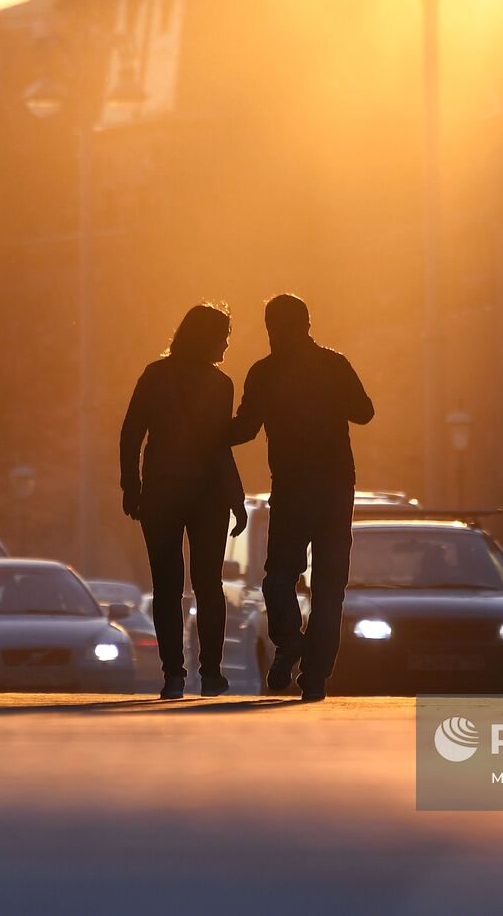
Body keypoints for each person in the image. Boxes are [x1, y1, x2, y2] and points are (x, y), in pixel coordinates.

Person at [231, 293, 374, 702]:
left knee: (279, 576)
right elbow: (364, 412)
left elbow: (244, 428)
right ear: (308, 324)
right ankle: (315, 674)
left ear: (272, 328)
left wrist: (202, 432)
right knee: (329, 585)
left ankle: (290, 643)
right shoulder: (334, 364)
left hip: (292, 489)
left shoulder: (264, 372)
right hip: (333, 489)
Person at [121, 303, 247, 700]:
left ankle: (173, 675)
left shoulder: (155, 376)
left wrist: (132, 485)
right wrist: (235, 496)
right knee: (209, 585)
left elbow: (131, 433)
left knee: (166, 586)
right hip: (207, 495)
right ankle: (210, 674)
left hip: (161, 492)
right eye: (224, 334)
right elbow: (219, 446)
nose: (228, 342)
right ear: (208, 337)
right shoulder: (220, 384)